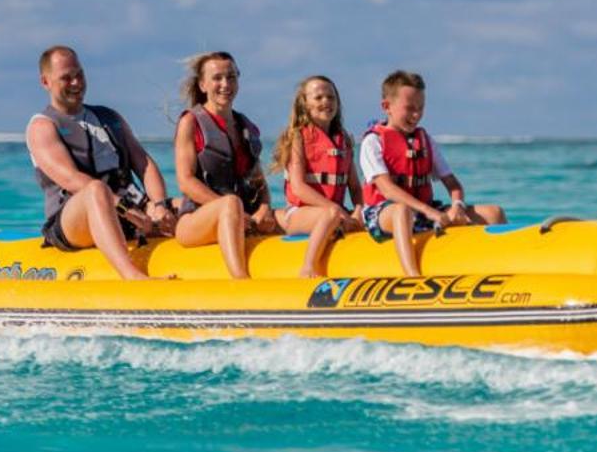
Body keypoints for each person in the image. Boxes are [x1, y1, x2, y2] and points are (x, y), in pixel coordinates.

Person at [25, 45, 175, 281]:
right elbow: (73, 181)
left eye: (79, 74)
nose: (76, 83)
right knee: (96, 190)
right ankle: (131, 276)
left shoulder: (109, 117)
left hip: (128, 210)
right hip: (74, 221)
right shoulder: (42, 127)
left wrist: (159, 205)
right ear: (46, 82)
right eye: (66, 78)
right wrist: (126, 209)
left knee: (187, 205)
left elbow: (144, 164)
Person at [357, 69, 506, 276]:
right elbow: (387, 190)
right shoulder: (372, 142)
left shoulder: (425, 141)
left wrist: (457, 207)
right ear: (387, 107)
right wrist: (430, 213)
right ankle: (412, 276)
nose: (416, 115)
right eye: (409, 108)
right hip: (383, 214)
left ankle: (499, 270)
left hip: (424, 210)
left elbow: (453, 185)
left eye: (420, 108)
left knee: (493, 212)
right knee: (402, 211)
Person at [172, 50, 277, 279]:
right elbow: (185, 181)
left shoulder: (245, 126)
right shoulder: (191, 123)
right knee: (231, 203)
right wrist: (233, 210)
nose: (225, 84)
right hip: (194, 221)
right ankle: (240, 280)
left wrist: (263, 209)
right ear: (202, 85)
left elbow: (258, 179)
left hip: (240, 216)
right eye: (217, 78)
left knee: (285, 217)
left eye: (231, 77)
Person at [271, 74, 354, 278]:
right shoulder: (298, 137)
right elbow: (298, 187)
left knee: (351, 218)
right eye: (318, 98)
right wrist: (333, 209)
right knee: (332, 214)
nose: (326, 102)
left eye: (331, 97)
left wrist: (359, 211)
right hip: (300, 214)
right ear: (305, 104)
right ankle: (308, 267)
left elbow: (356, 188)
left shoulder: (344, 140)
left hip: (334, 213)